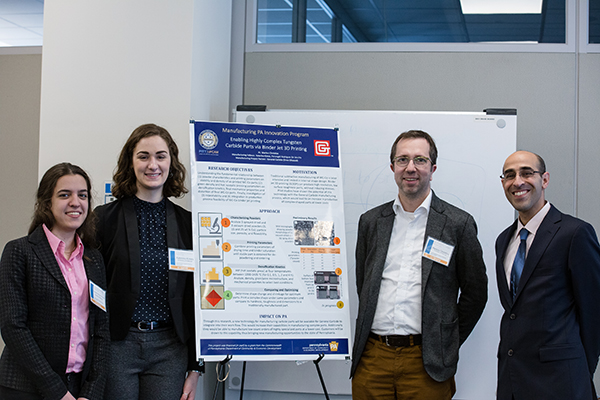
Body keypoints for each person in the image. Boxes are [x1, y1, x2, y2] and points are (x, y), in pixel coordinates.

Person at [351, 130, 488, 399]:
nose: (410, 167)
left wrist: (445, 341)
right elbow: (363, 284)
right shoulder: (370, 221)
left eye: (420, 160)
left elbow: (475, 294)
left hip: (427, 362)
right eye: (402, 160)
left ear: (432, 168)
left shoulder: (457, 224)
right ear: (392, 167)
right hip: (372, 358)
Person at [95, 123, 202, 400]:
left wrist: (195, 367)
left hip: (170, 348)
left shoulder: (188, 225)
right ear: (130, 162)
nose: (152, 164)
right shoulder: (104, 218)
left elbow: (194, 299)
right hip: (119, 344)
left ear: (171, 162)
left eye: (160, 156)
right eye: (143, 156)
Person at [495, 150, 600, 400]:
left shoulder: (575, 233)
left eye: (527, 173)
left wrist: (579, 370)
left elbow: (594, 311)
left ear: (545, 180)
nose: (517, 181)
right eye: (509, 175)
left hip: (561, 381)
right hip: (512, 379)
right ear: (503, 184)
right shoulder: (503, 240)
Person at [0, 163, 109, 400]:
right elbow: (13, 326)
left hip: (80, 387)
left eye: (82, 195)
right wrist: (57, 392)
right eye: (64, 195)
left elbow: (101, 330)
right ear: (47, 202)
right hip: (27, 387)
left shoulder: (94, 259)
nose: (75, 202)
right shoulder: (19, 251)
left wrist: (91, 391)